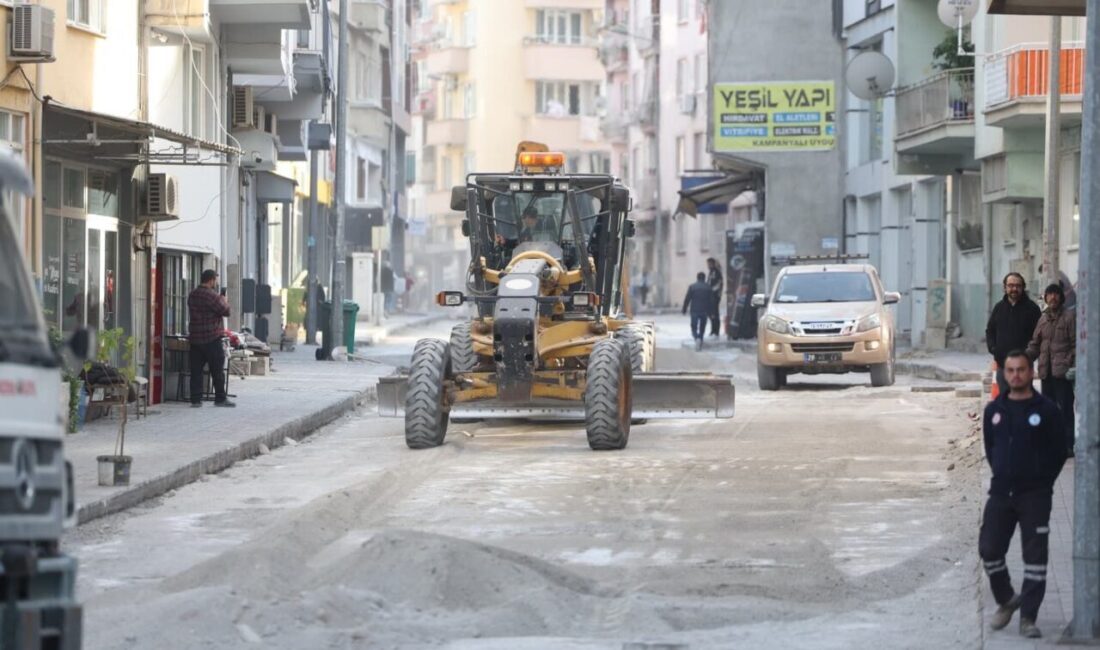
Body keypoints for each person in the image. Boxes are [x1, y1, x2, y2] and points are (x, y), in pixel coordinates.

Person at [979, 350, 1067, 639]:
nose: (1015, 375)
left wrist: (1042, 483)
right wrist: (1004, 475)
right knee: (989, 550)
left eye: (1021, 370)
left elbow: (1058, 452)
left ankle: (1029, 617)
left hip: (1035, 497)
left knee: (1036, 559)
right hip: (1001, 494)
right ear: (1004, 374)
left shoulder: (1047, 410)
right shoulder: (993, 411)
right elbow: (992, 450)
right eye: (1010, 370)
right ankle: (1007, 599)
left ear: (1031, 373)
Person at [1027, 283, 1076, 456]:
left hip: (1062, 374)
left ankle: (1068, 445)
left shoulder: (1070, 317)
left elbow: (1075, 345)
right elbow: (1035, 344)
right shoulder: (1043, 319)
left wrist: (1069, 362)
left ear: (1061, 297)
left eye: (1056, 294)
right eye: (1049, 294)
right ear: (1045, 298)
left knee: (1065, 411)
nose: (1053, 297)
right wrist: (1024, 359)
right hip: (1045, 373)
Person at [986, 272, 1042, 396]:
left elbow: (1039, 335)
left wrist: (1029, 355)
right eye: (1010, 285)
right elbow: (990, 330)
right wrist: (993, 349)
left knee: (1022, 400)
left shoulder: (1032, 309)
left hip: (1023, 366)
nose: (1014, 289)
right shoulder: (999, 308)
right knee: (1004, 401)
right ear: (1005, 287)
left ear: (1023, 287)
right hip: (1002, 365)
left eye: (1018, 285)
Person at [187, 269, 234, 407]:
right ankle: (220, 398)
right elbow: (226, 311)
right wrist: (224, 301)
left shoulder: (192, 295)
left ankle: (195, 399)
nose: (216, 282)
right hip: (211, 338)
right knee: (217, 370)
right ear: (211, 280)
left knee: (196, 371)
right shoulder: (212, 296)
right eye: (215, 280)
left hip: (195, 339)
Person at [682, 271, 713, 351]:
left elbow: (687, 299)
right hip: (704, 310)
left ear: (697, 278)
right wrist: (711, 312)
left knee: (694, 327)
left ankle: (696, 338)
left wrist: (684, 309)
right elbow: (711, 301)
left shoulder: (692, 287)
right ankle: (700, 339)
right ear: (704, 278)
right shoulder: (708, 287)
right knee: (702, 327)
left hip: (694, 310)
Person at [706, 257, 723, 337]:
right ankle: (713, 330)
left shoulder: (716, 272)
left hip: (715, 295)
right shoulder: (711, 272)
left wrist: (711, 290)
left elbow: (719, 283)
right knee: (711, 313)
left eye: (709, 263)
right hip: (710, 295)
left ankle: (716, 331)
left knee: (715, 313)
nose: (708, 265)